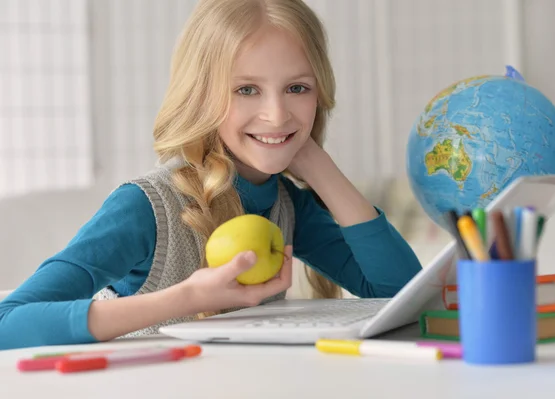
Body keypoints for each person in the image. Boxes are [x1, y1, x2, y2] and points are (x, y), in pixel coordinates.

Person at [0, 0, 422, 350]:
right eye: (246, 89)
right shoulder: (146, 208)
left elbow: (402, 295)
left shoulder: (287, 205)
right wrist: (187, 298)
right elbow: (8, 323)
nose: (276, 114)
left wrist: (317, 163)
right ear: (202, 95)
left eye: (297, 88)